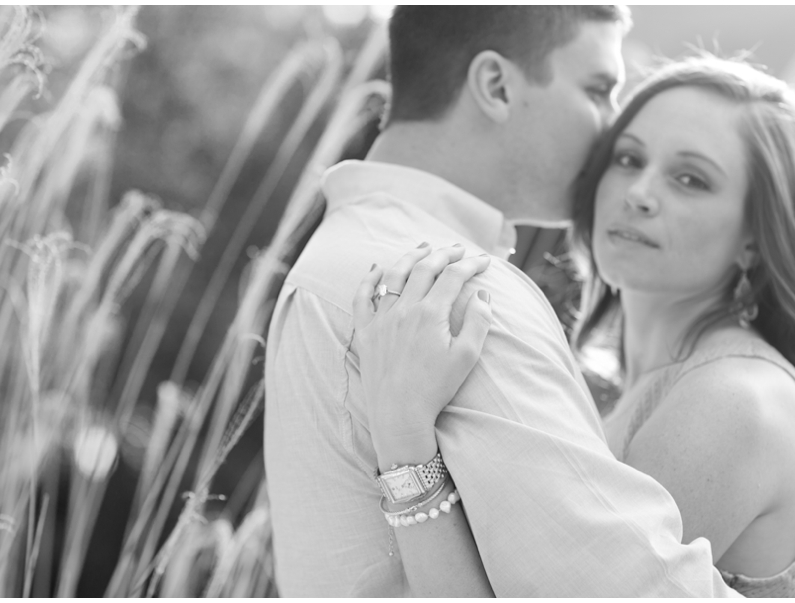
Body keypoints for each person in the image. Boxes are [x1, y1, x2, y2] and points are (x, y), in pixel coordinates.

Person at [264, 5, 739, 597]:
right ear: (496, 85)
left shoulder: (334, 258)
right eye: (598, 90)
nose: (611, 128)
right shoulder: (448, 294)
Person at [351, 56, 795, 597]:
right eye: (628, 158)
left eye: (691, 179)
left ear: (757, 237)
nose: (638, 192)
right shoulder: (626, 381)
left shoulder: (733, 401)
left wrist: (403, 438)